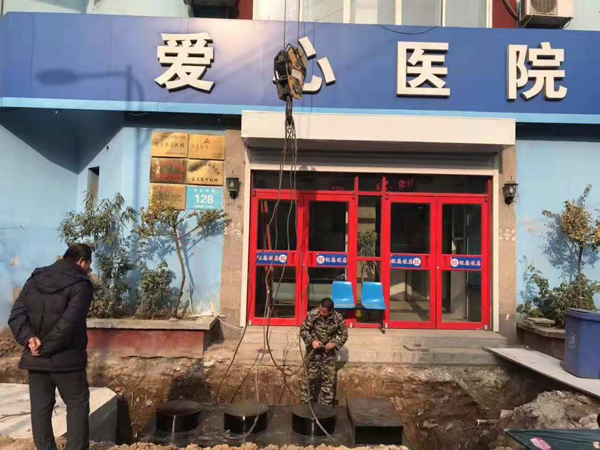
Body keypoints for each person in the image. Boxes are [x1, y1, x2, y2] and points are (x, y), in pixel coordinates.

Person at [8, 243, 94, 450]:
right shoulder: (81, 284)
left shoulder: (35, 279)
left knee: (40, 408)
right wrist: (44, 348)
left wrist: (30, 339)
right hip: (67, 360)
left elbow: (16, 315)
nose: (88, 270)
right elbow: (69, 323)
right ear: (82, 261)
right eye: (89, 265)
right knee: (77, 404)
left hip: (36, 358)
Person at [299, 297, 348, 406]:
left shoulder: (338, 318)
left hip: (328, 354)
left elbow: (344, 335)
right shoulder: (313, 314)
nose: (321, 313)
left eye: (323, 312)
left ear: (330, 311)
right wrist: (312, 341)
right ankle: (305, 408)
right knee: (308, 381)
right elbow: (303, 330)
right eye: (320, 310)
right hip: (313, 353)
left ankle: (325, 409)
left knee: (328, 383)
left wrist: (334, 343)